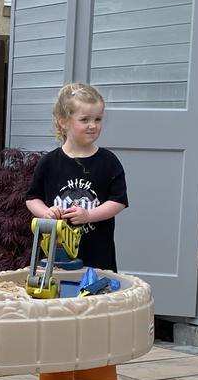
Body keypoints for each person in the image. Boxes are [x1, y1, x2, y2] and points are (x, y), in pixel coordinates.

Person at [25, 83, 128, 271]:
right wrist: (46, 213)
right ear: (63, 121)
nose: (93, 125)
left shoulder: (108, 162)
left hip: (98, 257)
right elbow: (32, 198)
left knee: (96, 299)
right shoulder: (49, 163)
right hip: (56, 257)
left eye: (98, 119)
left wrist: (89, 215)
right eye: (85, 119)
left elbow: (118, 201)